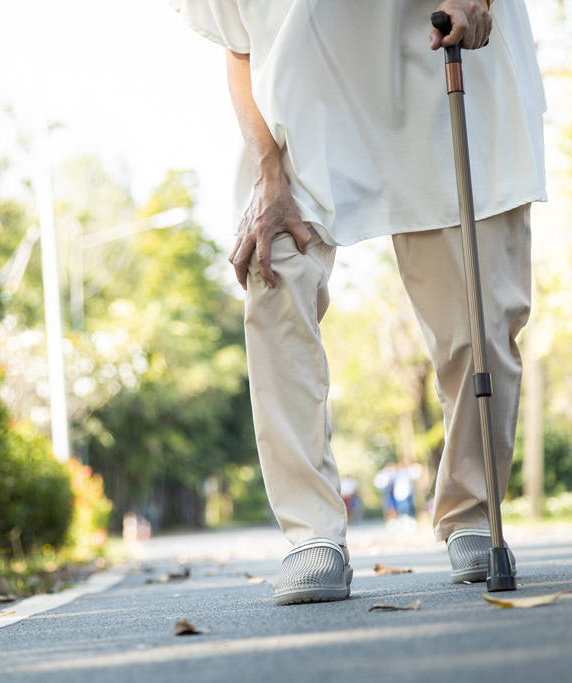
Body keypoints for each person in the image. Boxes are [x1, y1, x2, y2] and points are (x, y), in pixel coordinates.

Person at [168, 0, 545, 605]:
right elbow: (240, 47)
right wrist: (267, 171)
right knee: (274, 276)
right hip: (305, 115)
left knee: (480, 322)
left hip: (442, 78)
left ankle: (471, 511)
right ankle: (311, 532)